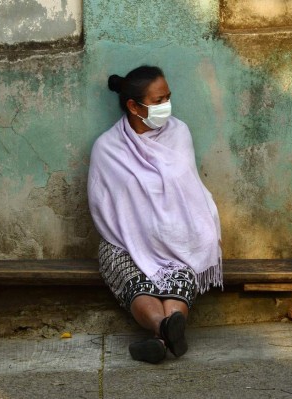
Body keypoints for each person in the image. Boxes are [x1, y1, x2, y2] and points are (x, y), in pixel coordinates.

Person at [88, 66, 222, 364]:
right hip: (123, 243)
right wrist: (140, 239)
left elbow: (188, 192)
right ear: (134, 106)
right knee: (134, 281)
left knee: (180, 274)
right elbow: (103, 207)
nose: (166, 106)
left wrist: (166, 236)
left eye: (168, 98)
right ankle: (167, 329)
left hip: (180, 239)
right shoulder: (107, 148)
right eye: (159, 100)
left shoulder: (179, 133)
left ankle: (160, 338)